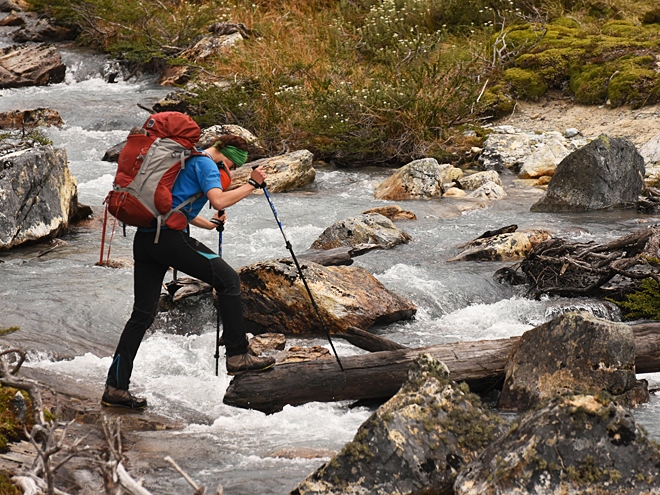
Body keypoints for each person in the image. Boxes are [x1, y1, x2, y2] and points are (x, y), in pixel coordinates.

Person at [101, 134, 275, 410]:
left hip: (146, 240)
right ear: (227, 156)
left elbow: (171, 204)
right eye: (230, 164)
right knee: (229, 279)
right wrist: (253, 184)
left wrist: (207, 225)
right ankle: (237, 355)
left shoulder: (184, 161)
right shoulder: (206, 163)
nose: (228, 170)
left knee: (142, 315)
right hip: (170, 240)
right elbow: (218, 200)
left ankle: (115, 387)